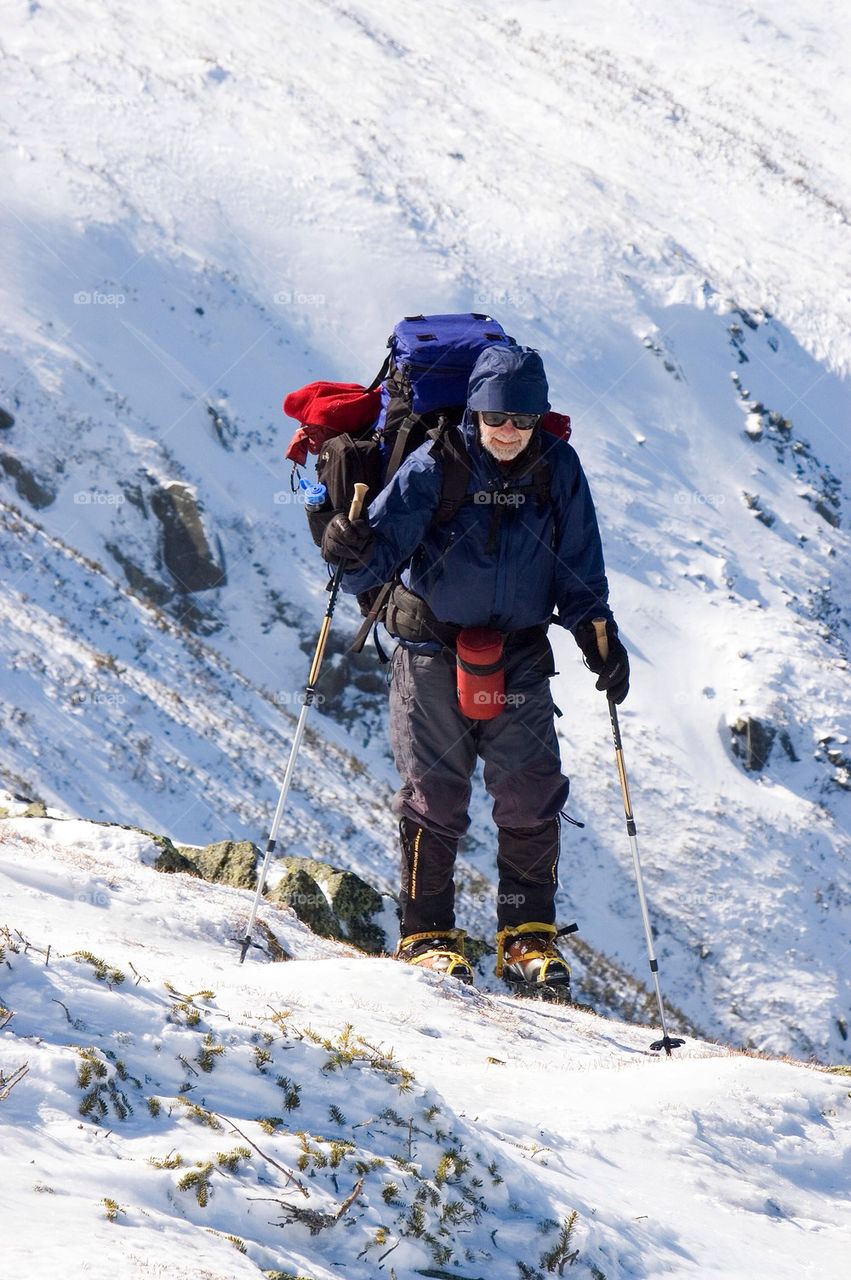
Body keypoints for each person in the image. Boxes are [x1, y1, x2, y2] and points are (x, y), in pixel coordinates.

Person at [321, 343, 628, 996]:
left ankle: (525, 939)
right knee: (436, 794)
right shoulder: (436, 468)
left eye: (520, 419)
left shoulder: (558, 470)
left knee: (530, 791)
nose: (507, 431)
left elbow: (579, 570)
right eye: (495, 418)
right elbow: (375, 562)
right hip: (431, 653)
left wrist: (597, 637)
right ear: (475, 413)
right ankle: (426, 937)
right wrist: (345, 549)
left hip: (517, 658)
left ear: (538, 416)